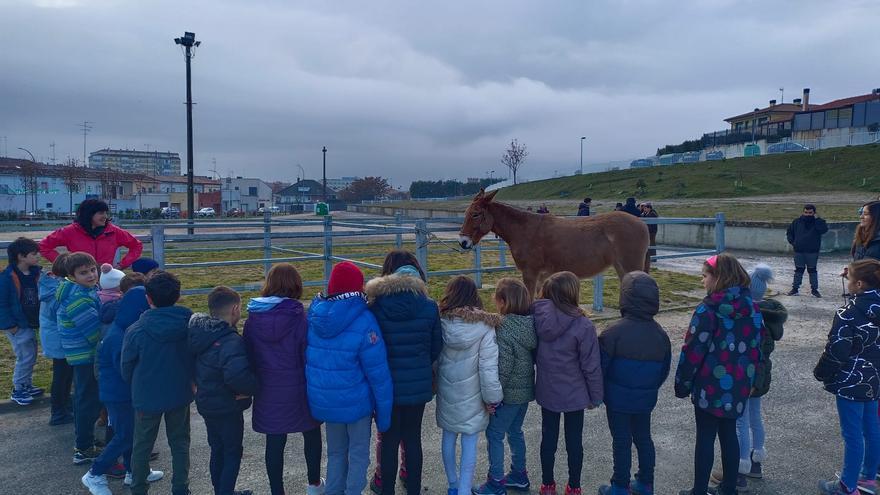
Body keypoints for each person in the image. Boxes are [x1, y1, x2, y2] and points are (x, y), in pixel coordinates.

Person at [674, 254, 765, 495]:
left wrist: (682, 382)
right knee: (729, 433)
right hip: (738, 385)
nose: (702, 281)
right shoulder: (753, 307)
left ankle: (700, 489)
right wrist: (753, 378)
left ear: (718, 278)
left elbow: (693, 348)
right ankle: (728, 488)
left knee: (705, 437)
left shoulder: (708, 309)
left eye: (705, 276)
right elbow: (758, 347)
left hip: (709, 384)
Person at [306, 261, 393, 495]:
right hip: (357, 404)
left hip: (327, 402)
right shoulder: (364, 320)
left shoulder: (314, 317)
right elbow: (378, 374)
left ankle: (333, 491)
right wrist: (384, 416)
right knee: (358, 454)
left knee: (335, 452)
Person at [364, 251, 442, 495]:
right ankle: (414, 489)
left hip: (386, 384)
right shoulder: (429, 307)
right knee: (412, 438)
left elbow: (371, 346)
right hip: (417, 383)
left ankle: (385, 488)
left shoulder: (375, 306)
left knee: (388, 438)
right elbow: (436, 346)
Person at [243, 263, 324, 495]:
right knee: (311, 432)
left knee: (275, 440)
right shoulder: (300, 318)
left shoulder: (252, 320)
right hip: (299, 384)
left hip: (268, 387)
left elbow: (249, 353)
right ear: (296, 285)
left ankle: (277, 490)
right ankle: (314, 484)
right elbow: (307, 352)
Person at [710, 264, 787, 491]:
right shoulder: (769, 316)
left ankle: (739, 471)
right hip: (762, 377)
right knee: (755, 417)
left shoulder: (751, 317)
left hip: (747, 377)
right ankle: (755, 463)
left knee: (739, 422)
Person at [82, 285, 164, 495]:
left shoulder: (123, 329)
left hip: (124, 392)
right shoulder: (119, 336)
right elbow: (125, 369)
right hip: (118, 395)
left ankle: (133, 471)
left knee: (132, 433)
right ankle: (94, 474)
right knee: (125, 435)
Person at [597, 271, 671, 495]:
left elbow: (601, 367)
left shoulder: (612, 333)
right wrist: (650, 388)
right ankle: (646, 482)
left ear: (625, 297)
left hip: (617, 400)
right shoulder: (661, 335)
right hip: (645, 398)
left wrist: (600, 393)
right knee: (643, 438)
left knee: (621, 440)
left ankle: (620, 485)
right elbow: (663, 370)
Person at [121, 270, 194, 495]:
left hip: (146, 394)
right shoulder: (189, 325)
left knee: (142, 445)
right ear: (178, 296)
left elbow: (126, 366)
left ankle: (139, 487)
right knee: (180, 443)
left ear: (148, 298)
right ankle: (181, 487)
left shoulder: (136, 331)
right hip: (179, 392)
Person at [532, 271, 603, 495]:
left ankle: (547, 484)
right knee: (574, 441)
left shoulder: (537, 318)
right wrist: (596, 396)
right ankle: (574, 486)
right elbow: (590, 365)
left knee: (548, 438)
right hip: (574, 393)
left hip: (547, 390)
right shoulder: (583, 326)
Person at [814, 259, 880, 495]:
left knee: (853, 435)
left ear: (859, 284)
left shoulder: (848, 314)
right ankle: (868, 477)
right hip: (875, 381)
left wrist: (821, 372)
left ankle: (847, 485)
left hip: (850, 382)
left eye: (850, 280)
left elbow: (836, 350)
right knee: (872, 429)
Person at [435, 275, 503, 495]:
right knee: (470, 443)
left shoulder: (440, 321)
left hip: (447, 389)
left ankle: (452, 484)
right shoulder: (485, 327)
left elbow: (434, 358)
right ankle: (464, 489)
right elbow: (488, 368)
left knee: (448, 437)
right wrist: (493, 398)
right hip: (473, 395)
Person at [190, 286, 258, 495]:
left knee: (217, 449)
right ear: (236, 309)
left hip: (207, 403)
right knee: (232, 452)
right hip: (228, 405)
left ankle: (220, 489)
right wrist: (252, 388)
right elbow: (236, 375)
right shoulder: (230, 341)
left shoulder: (199, 334)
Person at [473, 278, 536, 495]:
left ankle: (496, 481)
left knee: (495, 434)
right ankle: (519, 474)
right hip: (525, 391)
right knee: (515, 431)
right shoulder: (530, 325)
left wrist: (494, 398)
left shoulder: (504, 329)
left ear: (502, 301)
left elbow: (503, 368)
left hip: (507, 395)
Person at [57, 252, 103, 464]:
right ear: (72, 276)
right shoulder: (78, 299)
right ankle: (84, 447)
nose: (91, 275)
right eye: (83, 273)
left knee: (84, 397)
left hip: (82, 353)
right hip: (85, 354)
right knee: (87, 399)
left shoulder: (85, 290)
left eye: (93, 270)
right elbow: (94, 332)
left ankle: (87, 440)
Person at [39, 199, 143, 269]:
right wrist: (64, 265)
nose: (105, 216)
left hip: (105, 280)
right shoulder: (69, 231)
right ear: (88, 214)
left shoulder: (113, 231)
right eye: (101, 213)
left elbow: (136, 245)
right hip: (79, 281)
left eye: (106, 213)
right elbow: (44, 246)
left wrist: (122, 265)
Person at [1, 237, 43, 405]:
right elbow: (2, 304)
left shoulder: (35, 273)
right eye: (34, 254)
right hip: (18, 325)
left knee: (30, 355)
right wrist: (11, 326)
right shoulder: (6, 278)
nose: (38, 256)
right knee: (25, 356)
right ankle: (18, 389)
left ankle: (26, 384)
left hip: (30, 322)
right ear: (21, 256)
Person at [40, 252, 73, 423]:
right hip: (59, 339)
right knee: (62, 376)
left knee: (66, 375)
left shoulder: (53, 285)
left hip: (58, 337)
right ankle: (58, 411)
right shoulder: (57, 290)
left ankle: (65, 406)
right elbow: (58, 313)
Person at [786, 203, 829, 297]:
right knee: (798, 270)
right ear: (803, 212)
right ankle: (795, 289)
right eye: (806, 212)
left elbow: (823, 230)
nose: (808, 214)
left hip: (812, 251)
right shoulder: (796, 222)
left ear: (814, 213)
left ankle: (814, 290)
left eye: (810, 213)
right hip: (799, 251)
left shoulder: (817, 222)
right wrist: (793, 242)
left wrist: (818, 219)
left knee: (812, 270)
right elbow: (789, 232)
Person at [641, 203, 659, 272]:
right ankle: (651, 257)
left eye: (645, 208)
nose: (644, 209)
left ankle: (653, 257)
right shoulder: (647, 213)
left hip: (652, 231)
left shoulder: (652, 214)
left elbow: (651, 223)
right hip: (649, 231)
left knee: (652, 243)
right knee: (649, 244)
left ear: (649, 208)